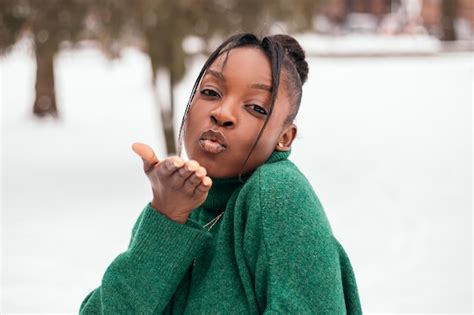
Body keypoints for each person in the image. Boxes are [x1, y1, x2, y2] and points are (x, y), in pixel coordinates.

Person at [79, 33, 362, 314]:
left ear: (285, 138)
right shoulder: (177, 209)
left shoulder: (278, 193)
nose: (222, 113)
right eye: (211, 92)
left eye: (255, 108)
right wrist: (166, 218)